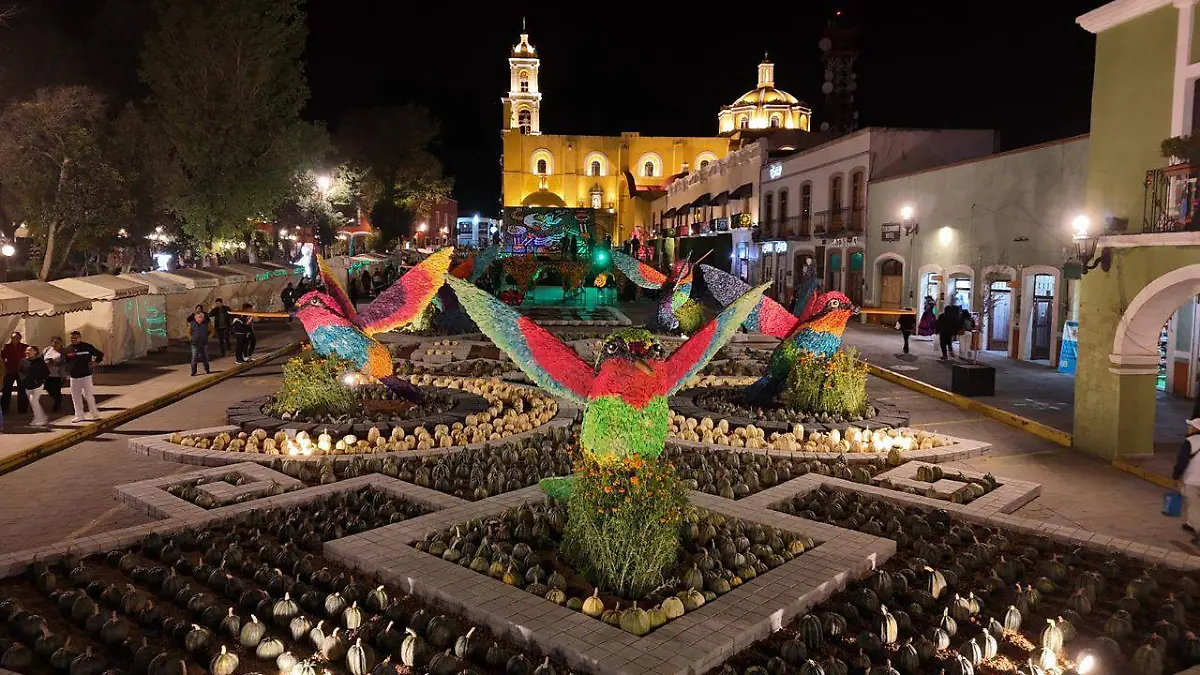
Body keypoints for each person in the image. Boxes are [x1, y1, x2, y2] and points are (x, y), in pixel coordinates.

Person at [63, 331, 102, 422]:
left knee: (88, 395)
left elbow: (100, 354)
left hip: (86, 375)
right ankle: (79, 415)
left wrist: (95, 362)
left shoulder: (87, 347)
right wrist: (67, 373)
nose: (74, 339)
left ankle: (95, 414)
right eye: (72, 338)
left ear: (80, 338)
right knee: (76, 396)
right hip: (74, 377)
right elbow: (65, 362)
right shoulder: (67, 349)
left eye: (76, 337)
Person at [1175, 418, 1200, 541]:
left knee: (1193, 506)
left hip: (1192, 480)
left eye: (1190, 426)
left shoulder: (1189, 442)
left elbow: (1182, 461)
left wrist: (1176, 476)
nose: (1188, 427)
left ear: (1195, 428)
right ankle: (1190, 525)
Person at [19, 345, 49, 427]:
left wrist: (39, 381)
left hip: (37, 386)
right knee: (34, 403)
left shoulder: (40, 361)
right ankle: (40, 417)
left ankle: (40, 419)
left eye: (29, 350)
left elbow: (46, 373)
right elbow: (20, 372)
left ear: (35, 352)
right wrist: (23, 380)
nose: (27, 352)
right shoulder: (23, 361)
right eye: (26, 350)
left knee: (34, 401)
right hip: (27, 385)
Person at [1, 331, 28, 415]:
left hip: (21, 371)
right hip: (10, 371)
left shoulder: (25, 347)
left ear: (20, 338)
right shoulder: (6, 347)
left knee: (22, 391)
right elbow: (2, 357)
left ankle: (22, 410)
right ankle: (4, 409)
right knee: (6, 390)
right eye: (13, 338)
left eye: (16, 337)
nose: (14, 339)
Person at [42, 336, 67, 412]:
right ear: (51, 342)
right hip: (47, 374)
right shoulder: (47, 349)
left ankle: (57, 404)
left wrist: (54, 362)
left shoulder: (63, 351)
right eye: (54, 342)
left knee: (56, 390)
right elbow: (41, 358)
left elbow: (65, 362)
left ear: (61, 343)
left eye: (58, 343)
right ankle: (58, 400)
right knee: (48, 388)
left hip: (58, 375)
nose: (56, 344)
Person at [187, 306, 212, 376]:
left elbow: (212, 330)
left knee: (205, 357)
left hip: (204, 343)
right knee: (194, 357)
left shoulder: (206, 323)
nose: (200, 319)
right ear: (195, 318)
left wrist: (208, 338)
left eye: (201, 317)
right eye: (198, 317)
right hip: (195, 343)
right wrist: (191, 339)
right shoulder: (192, 323)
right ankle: (193, 371)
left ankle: (207, 369)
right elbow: (188, 332)